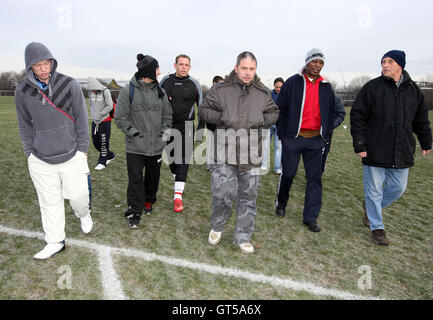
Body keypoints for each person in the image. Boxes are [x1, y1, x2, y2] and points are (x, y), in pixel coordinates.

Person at [15, 42, 93, 259]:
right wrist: (29, 152)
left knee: (79, 197)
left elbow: (81, 117)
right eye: (38, 65)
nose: (43, 68)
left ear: (52, 62)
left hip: (72, 154)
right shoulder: (22, 91)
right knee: (49, 202)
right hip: (40, 158)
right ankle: (55, 241)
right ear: (30, 67)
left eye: (46, 63)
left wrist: (83, 149)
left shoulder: (69, 84)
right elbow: (24, 124)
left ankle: (83, 214)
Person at [199, 51, 279, 254]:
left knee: (248, 197)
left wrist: (261, 121)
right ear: (236, 68)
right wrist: (222, 117)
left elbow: (274, 113)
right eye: (244, 68)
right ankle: (217, 226)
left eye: (252, 69)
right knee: (223, 193)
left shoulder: (262, 93)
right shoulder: (221, 90)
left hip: (251, 154)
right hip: (224, 152)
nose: (248, 73)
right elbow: (204, 110)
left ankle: (243, 236)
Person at [350, 50, 432, 246]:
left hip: (402, 150)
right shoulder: (372, 88)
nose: (385, 65)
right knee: (374, 191)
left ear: (400, 65)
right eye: (383, 62)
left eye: (390, 62)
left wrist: (426, 141)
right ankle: (377, 228)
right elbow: (358, 116)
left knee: (398, 188)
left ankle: (370, 208)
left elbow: (421, 120)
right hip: (375, 149)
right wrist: (360, 143)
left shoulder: (414, 91)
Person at [275, 48, 336, 232]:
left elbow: (333, 111)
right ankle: (281, 203)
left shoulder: (326, 86)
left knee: (314, 179)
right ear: (307, 62)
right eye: (314, 62)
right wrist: (283, 135)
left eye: (321, 63)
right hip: (293, 138)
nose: (317, 66)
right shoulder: (293, 82)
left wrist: (328, 127)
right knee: (289, 174)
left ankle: (310, 217)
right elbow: (280, 110)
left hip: (315, 140)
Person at [115, 54, 172, 228]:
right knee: (135, 180)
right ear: (148, 71)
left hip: (156, 146)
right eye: (157, 69)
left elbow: (167, 116)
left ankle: (148, 202)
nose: (159, 72)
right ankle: (134, 211)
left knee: (152, 179)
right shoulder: (128, 91)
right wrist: (134, 134)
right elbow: (120, 117)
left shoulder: (160, 92)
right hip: (135, 147)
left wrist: (163, 134)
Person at [160, 54, 202, 213]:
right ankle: (178, 179)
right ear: (175, 65)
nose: (184, 67)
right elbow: (157, 101)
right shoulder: (165, 81)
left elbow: (202, 107)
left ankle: (177, 196)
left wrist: (200, 127)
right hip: (168, 126)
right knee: (172, 159)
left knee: (184, 158)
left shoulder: (194, 84)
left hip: (187, 126)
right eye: (181, 64)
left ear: (189, 67)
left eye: (187, 65)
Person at [86, 77, 116, 170]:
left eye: (93, 88)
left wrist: (101, 114)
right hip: (95, 121)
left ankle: (102, 162)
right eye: (91, 89)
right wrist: (94, 114)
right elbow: (90, 104)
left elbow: (109, 106)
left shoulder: (105, 91)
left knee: (103, 142)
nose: (93, 90)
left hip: (105, 121)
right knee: (96, 142)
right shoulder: (91, 92)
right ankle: (110, 155)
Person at [261, 77, 284, 174]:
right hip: (268, 125)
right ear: (274, 85)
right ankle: (264, 165)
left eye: (280, 87)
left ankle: (277, 167)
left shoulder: (286, 96)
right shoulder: (269, 95)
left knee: (278, 147)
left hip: (279, 126)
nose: (278, 88)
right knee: (265, 146)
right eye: (276, 86)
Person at [321, 93, 346, 173]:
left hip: (326, 133)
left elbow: (341, 113)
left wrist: (332, 124)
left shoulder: (334, 97)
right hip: (310, 132)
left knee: (323, 153)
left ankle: (318, 174)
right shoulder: (310, 94)